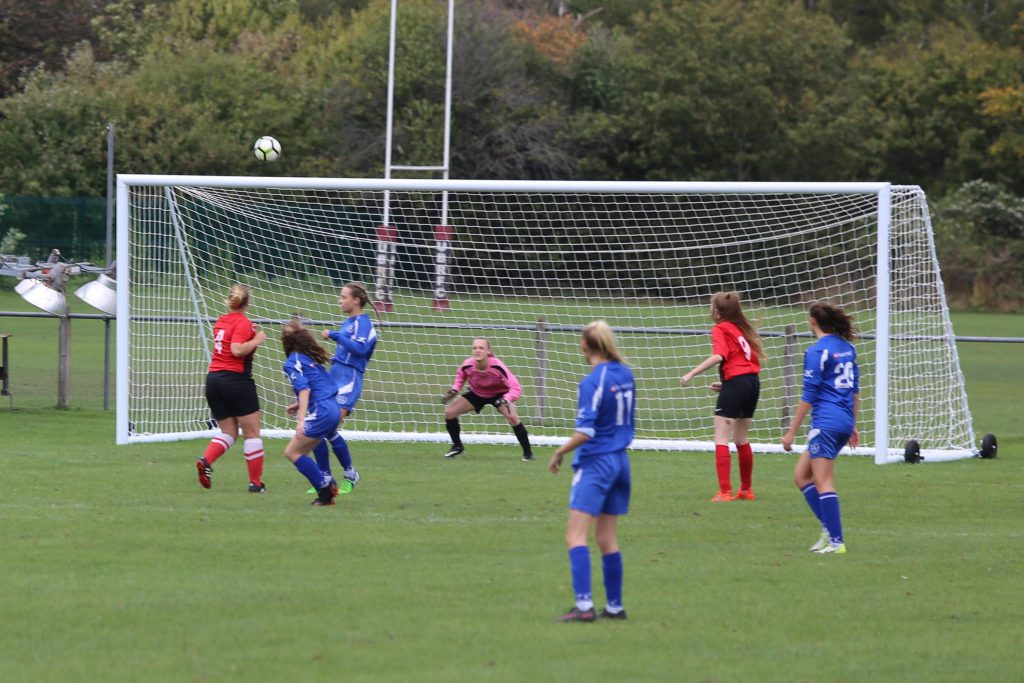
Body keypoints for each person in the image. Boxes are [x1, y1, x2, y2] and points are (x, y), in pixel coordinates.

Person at [549, 320, 634, 623]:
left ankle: (584, 606)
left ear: (585, 345)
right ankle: (614, 607)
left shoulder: (593, 381)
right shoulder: (626, 374)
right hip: (621, 462)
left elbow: (586, 431)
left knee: (575, 536)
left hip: (597, 463)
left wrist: (560, 451)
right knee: (607, 537)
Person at [781, 301, 859, 555]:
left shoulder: (817, 352)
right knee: (801, 476)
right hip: (843, 420)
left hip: (826, 422)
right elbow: (855, 391)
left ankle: (836, 542)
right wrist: (853, 425)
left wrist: (791, 431)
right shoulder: (847, 348)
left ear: (812, 322)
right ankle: (828, 529)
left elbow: (809, 395)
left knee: (823, 482)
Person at [680, 291, 764, 502]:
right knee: (741, 438)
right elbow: (742, 362)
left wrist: (691, 373)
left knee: (721, 437)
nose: (710, 310)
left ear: (718, 311)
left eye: (711, 306)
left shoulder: (720, 328)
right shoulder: (739, 329)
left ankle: (724, 492)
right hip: (752, 383)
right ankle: (746, 490)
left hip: (738, 383)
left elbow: (719, 355)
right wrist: (728, 384)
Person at [196, 284, 268, 493]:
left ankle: (206, 461)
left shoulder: (221, 321)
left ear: (229, 301)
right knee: (252, 433)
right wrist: (257, 339)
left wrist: (249, 334)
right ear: (247, 302)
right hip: (235, 380)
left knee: (228, 432)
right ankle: (255, 484)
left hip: (214, 380)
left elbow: (230, 343)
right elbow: (236, 350)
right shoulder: (243, 322)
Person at [313, 282, 378, 493]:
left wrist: (335, 335)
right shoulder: (349, 322)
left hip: (349, 381)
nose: (340, 300)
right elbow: (346, 354)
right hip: (334, 377)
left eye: (343, 297)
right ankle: (326, 478)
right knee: (319, 428)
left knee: (325, 426)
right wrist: (327, 357)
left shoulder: (363, 324)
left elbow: (360, 349)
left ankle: (350, 474)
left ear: (356, 300)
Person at [441, 338, 534, 461]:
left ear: (488, 351)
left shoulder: (497, 366)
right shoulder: (468, 364)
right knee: (450, 412)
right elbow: (460, 376)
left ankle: (528, 454)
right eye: (474, 348)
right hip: (477, 393)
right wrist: (455, 389)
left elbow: (516, 388)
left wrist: (507, 399)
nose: (477, 350)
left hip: (499, 395)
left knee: (512, 417)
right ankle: (457, 447)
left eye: (481, 348)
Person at [281, 319, 341, 507]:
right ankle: (327, 486)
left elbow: (305, 389)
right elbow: (319, 386)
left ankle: (325, 490)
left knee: (291, 452)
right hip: (333, 408)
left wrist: (301, 420)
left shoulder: (292, 362)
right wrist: (298, 404)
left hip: (322, 411)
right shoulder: (309, 359)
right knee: (303, 452)